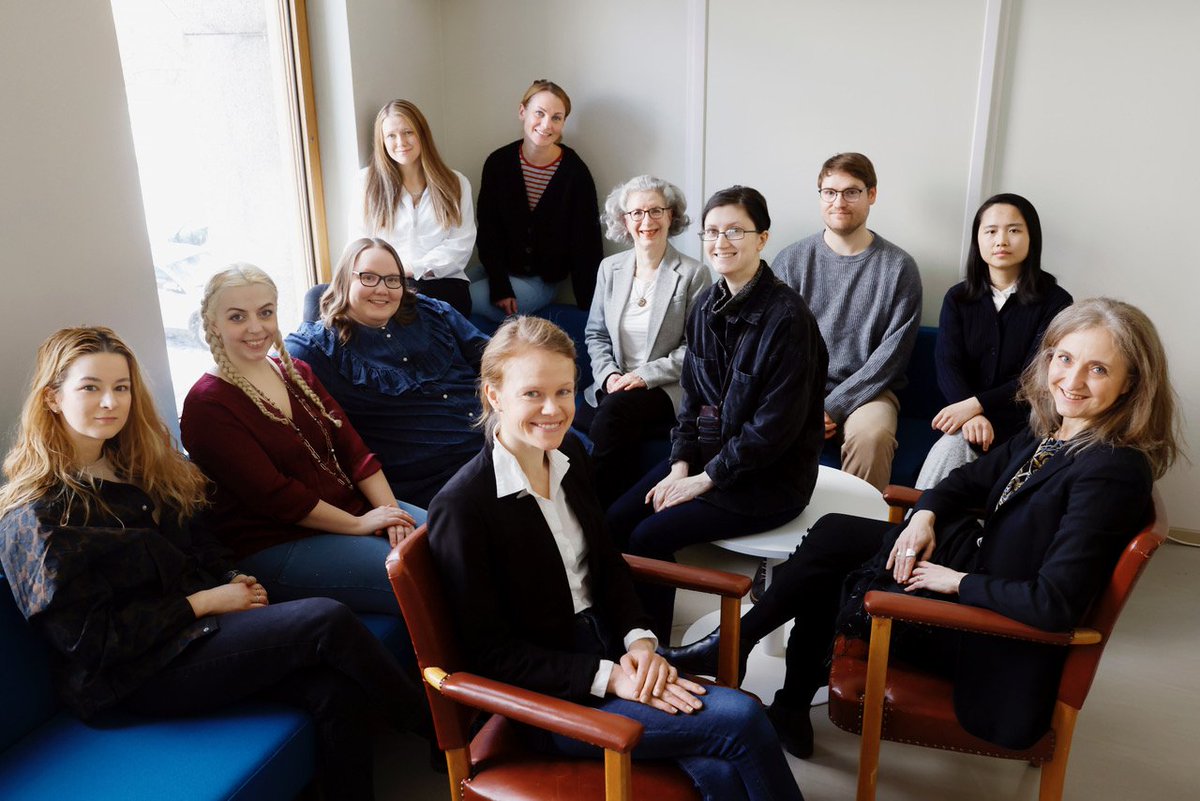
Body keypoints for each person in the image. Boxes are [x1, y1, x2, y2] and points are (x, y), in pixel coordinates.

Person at [662, 298, 1181, 758]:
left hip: (991, 637)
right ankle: (768, 678)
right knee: (837, 533)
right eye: (1064, 359)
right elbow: (964, 481)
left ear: (1130, 382)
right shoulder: (1058, 433)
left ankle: (762, 674)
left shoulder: (1110, 471)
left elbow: (1054, 605)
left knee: (827, 566)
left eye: (1097, 370)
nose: (1071, 380)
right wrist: (923, 518)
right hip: (985, 572)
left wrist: (951, 582)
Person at [0, 326, 426, 801]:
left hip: (199, 635)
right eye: (90, 388)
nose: (110, 402)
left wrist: (230, 580)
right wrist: (204, 602)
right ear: (53, 398)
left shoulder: (137, 466)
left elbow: (200, 542)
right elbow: (90, 644)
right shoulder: (36, 516)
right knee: (323, 618)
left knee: (330, 690)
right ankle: (441, 732)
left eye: (120, 388)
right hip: (133, 676)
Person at [427, 316, 805, 801]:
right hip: (550, 700)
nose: (553, 409)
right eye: (532, 394)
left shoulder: (571, 459)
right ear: (494, 395)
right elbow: (490, 656)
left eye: (564, 392)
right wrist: (611, 680)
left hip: (613, 651)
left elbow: (606, 564)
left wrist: (641, 641)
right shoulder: (463, 507)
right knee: (743, 720)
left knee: (722, 771)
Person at [608, 186, 828, 637]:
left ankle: (656, 649)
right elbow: (690, 401)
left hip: (771, 480)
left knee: (650, 536)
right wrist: (679, 466)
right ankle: (624, 635)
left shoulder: (788, 320)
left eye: (734, 231)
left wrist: (702, 481)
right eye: (712, 232)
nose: (720, 242)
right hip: (710, 462)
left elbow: (771, 433)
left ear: (762, 239)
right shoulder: (707, 304)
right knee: (614, 520)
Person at [181, 265, 420, 615]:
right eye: (237, 317)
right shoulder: (207, 405)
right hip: (277, 542)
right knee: (419, 575)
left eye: (265, 312)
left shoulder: (296, 372)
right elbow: (277, 497)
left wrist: (392, 514)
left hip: (348, 511)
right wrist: (359, 525)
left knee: (458, 541)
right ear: (213, 323)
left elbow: (355, 452)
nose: (255, 327)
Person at [287, 238, 488, 508]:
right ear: (345, 279)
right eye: (369, 278)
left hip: (500, 442)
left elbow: (498, 358)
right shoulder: (317, 349)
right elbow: (272, 370)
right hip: (438, 481)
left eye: (393, 280)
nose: (383, 290)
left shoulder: (432, 311)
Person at [773, 152, 923, 492]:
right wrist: (805, 403)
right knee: (767, 425)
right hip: (799, 389)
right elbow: (777, 343)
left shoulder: (899, 267)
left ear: (872, 194)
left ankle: (854, 537)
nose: (839, 201)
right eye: (830, 192)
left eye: (852, 191)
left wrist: (834, 406)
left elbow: (892, 355)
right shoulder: (791, 261)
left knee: (872, 437)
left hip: (869, 392)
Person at [917, 193, 1073, 488]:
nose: (1001, 240)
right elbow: (947, 363)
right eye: (990, 231)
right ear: (978, 240)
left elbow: (1036, 375)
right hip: (967, 421)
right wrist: (968, 416)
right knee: (953, 448)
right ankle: (913, 527)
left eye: (1014, 230)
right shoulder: (958, 298)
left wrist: (974, 406)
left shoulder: (1056, 302)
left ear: (1032, 237)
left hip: (1027, 422)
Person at [579, 175, 712, 505]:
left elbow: (696, 349)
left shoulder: (694, 273)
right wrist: (609, 374)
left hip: (664, 387)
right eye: (636, 213)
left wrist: (644, 376)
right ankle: (616, 516)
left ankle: (591, 513)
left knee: (610, 417)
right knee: (595, 419)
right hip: (614, 385)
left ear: (671, 215)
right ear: (624, 220)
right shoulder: (610, 268)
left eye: (656, 211)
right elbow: (595, 334)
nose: (646, 221)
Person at [473, 79, 603, 321]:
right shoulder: (498, 163)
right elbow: (488, 229)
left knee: (463, 300)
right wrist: (501, 285)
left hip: (541, 281)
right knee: (443, 292)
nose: (546, 125)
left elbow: (586, 244)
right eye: (539, 113)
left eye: (556, 117)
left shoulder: (575, 173)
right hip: (498, 269)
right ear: (523, 112)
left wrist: (591, 311)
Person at [350, 99, 476, 316]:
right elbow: (358, 242)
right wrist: (385, 275)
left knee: (413, 303)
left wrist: (413, 269)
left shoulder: (456, 183)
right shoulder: (366, 182)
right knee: (316, 296)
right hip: (383, 281)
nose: (401, 142)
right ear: (382, 141)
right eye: (391, 135)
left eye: (408, 132)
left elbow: (460, 245)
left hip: (442, 281)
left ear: (422, 134)